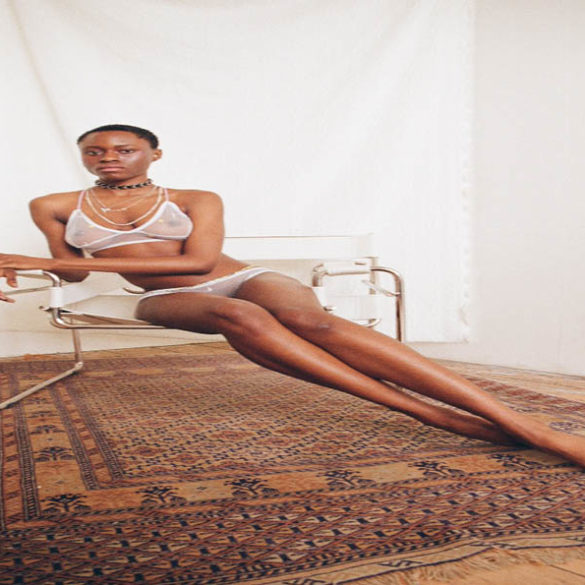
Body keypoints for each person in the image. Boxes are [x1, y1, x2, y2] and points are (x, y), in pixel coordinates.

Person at [1, 123, 584, 467]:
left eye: (123, 149)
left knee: (316, 324)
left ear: (154, 153)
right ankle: (432, 414)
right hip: (167, 298)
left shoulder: (194, 197)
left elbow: (199, 261)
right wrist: (27, 269)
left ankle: (520, 424)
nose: (107, 159)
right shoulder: (53, 205)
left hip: (239, 274)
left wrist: (45, 261)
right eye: (94, 151)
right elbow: (74, 277)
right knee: (240, 317)